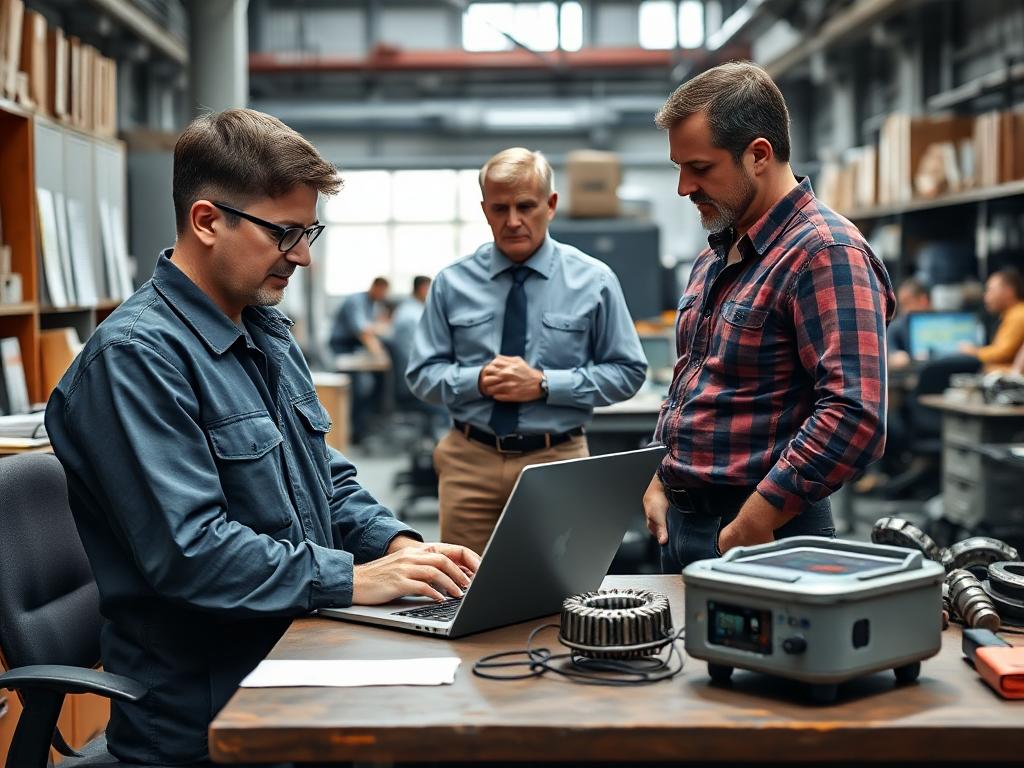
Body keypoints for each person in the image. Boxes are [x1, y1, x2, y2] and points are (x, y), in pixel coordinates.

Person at [44, 108, 478, 767]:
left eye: (310, 232)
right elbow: (193, 554)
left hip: (296, 653)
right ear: (207, 221)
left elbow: (324, 476)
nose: (302, 255)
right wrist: (351, 579)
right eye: (285, 233)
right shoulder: (136, 360)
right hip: (209, 708)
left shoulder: (262, 329)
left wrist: (398, 549)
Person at [643, 61, 895, 571]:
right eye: (678, 169)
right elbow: (692, 383)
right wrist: (656, 471)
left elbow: (854, 414)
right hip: (686, 525)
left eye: (700, 168)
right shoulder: (717, 254)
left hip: (765, 533)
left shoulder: (825, 252)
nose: (684, 187)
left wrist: (755, 520)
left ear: (758, 155)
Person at [406, 147, 647, 556]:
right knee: (460, 588)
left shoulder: (594, 281)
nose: (513, 221)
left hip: (557, 459)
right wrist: (477, 380)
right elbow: (421, 374)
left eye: (525, 206)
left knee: (558, 586)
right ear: (485, 210)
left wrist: (543, 384)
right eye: (500, 208)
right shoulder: (452, 283)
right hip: (469, 461)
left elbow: (627, 371)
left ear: (550, 205)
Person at [959, 268, 1024, 371]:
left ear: (1009, 291)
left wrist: (974, 351)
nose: (986, 296)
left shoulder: (1019, 314)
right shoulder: (1011, 314)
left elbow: (1003, 353)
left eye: (991, 290)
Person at [329, 275, 390, 357]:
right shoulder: (356, 301)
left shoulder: (373, 303)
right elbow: (362, 330)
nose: (384, 295)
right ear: (375, 287)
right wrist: (378, 354)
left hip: (354, 343)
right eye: (383, 291)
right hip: (342, 344)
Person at [887, 277, 932, 370]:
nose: (903, 311)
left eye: (907, 303)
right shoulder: (897, 327)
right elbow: (891, 355)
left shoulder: (944, 321)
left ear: (923, 301)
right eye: (901, 304)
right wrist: (894, 357)